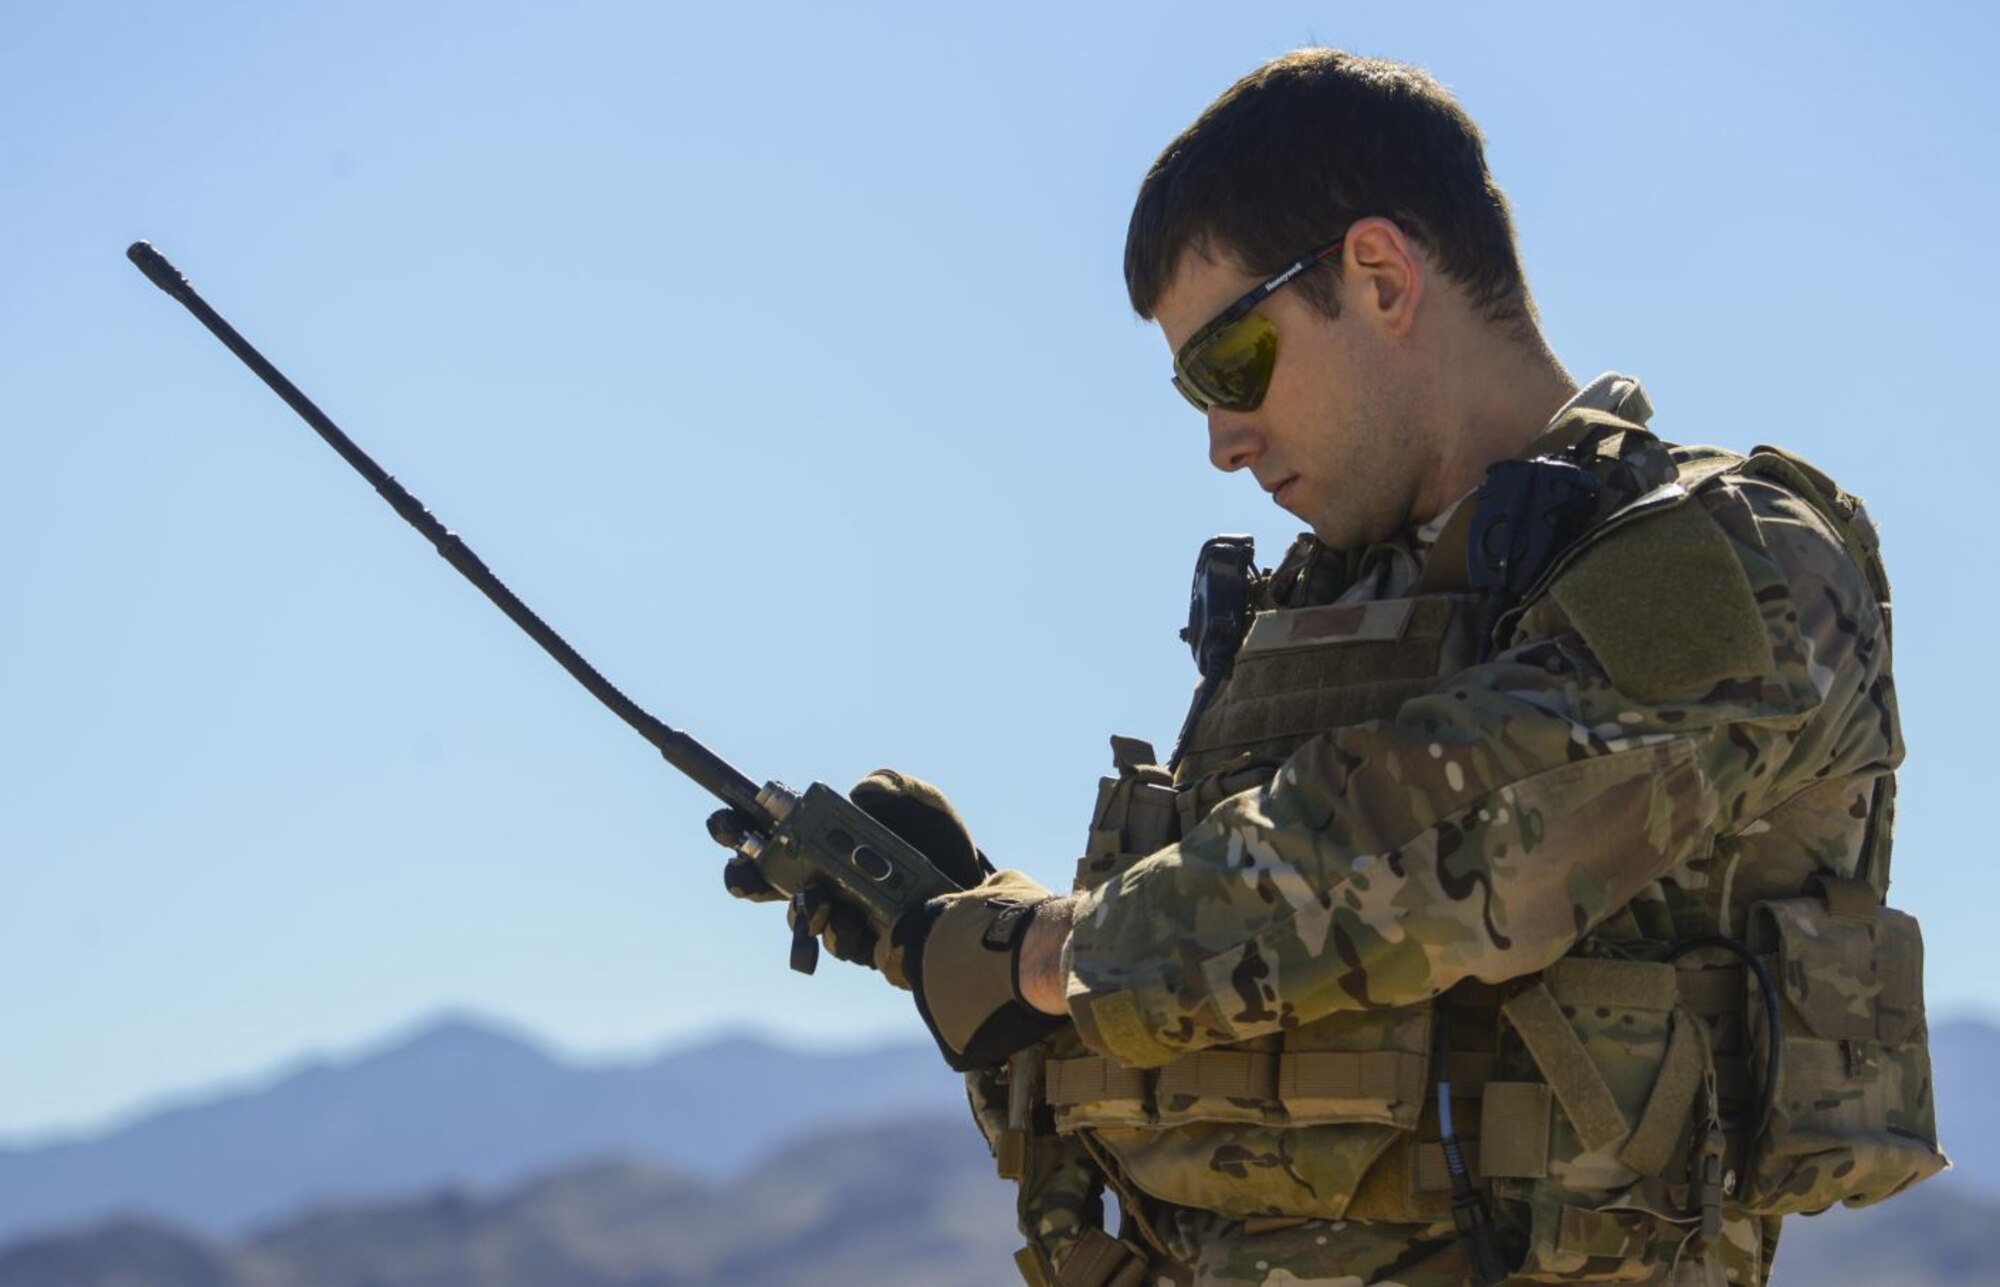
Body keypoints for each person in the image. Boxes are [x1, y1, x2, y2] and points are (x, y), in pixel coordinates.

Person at [721, 48, 1940, 1287]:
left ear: (1377, 275)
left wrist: (1040, 955)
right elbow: (1224, 1051)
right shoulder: (1319, 615)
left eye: (1230, 364)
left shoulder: (1738, 559)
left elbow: (1443, 852)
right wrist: (942, 925)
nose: (1218, 439)